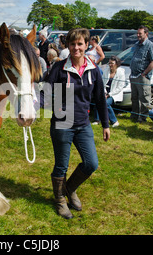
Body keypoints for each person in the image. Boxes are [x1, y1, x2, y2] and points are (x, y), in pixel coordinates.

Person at [44, 28, 110, 219]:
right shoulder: (59, 68)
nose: (76, 48)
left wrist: (105, 124)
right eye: (72, 44)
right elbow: (46, 93)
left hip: (83, 123)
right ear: (68, 45)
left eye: (80, 44)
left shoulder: (93, 69)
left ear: (87, 45)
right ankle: (59, 200)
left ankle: (69, 189)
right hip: (63, 123)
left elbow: (100, 98)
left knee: (91, 164)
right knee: (61, 166)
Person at [129, 25, 153, 123]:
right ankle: (134, 115)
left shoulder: (150, 45)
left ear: (146, 34)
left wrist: (144, 73)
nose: (138, 35)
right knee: (134, 97)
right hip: (133, 75)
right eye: (137, 33)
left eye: (140, 33)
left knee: (144, 98)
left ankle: (142, 118)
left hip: (143, 76)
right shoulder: (137, 44)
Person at [100, 56, 126, 127]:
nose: (110, 65)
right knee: (99, 100)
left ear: (117, 64)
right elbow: (102, 82)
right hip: (105, 91)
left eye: (112, 63)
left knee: (105, 103)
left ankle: (114, 121)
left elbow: (119, 87)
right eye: (109, 63)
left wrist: (108, 95)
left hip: (114, 94)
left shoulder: (121, 73)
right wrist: (104, 92)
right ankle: (97, 119)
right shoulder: (106, 70)